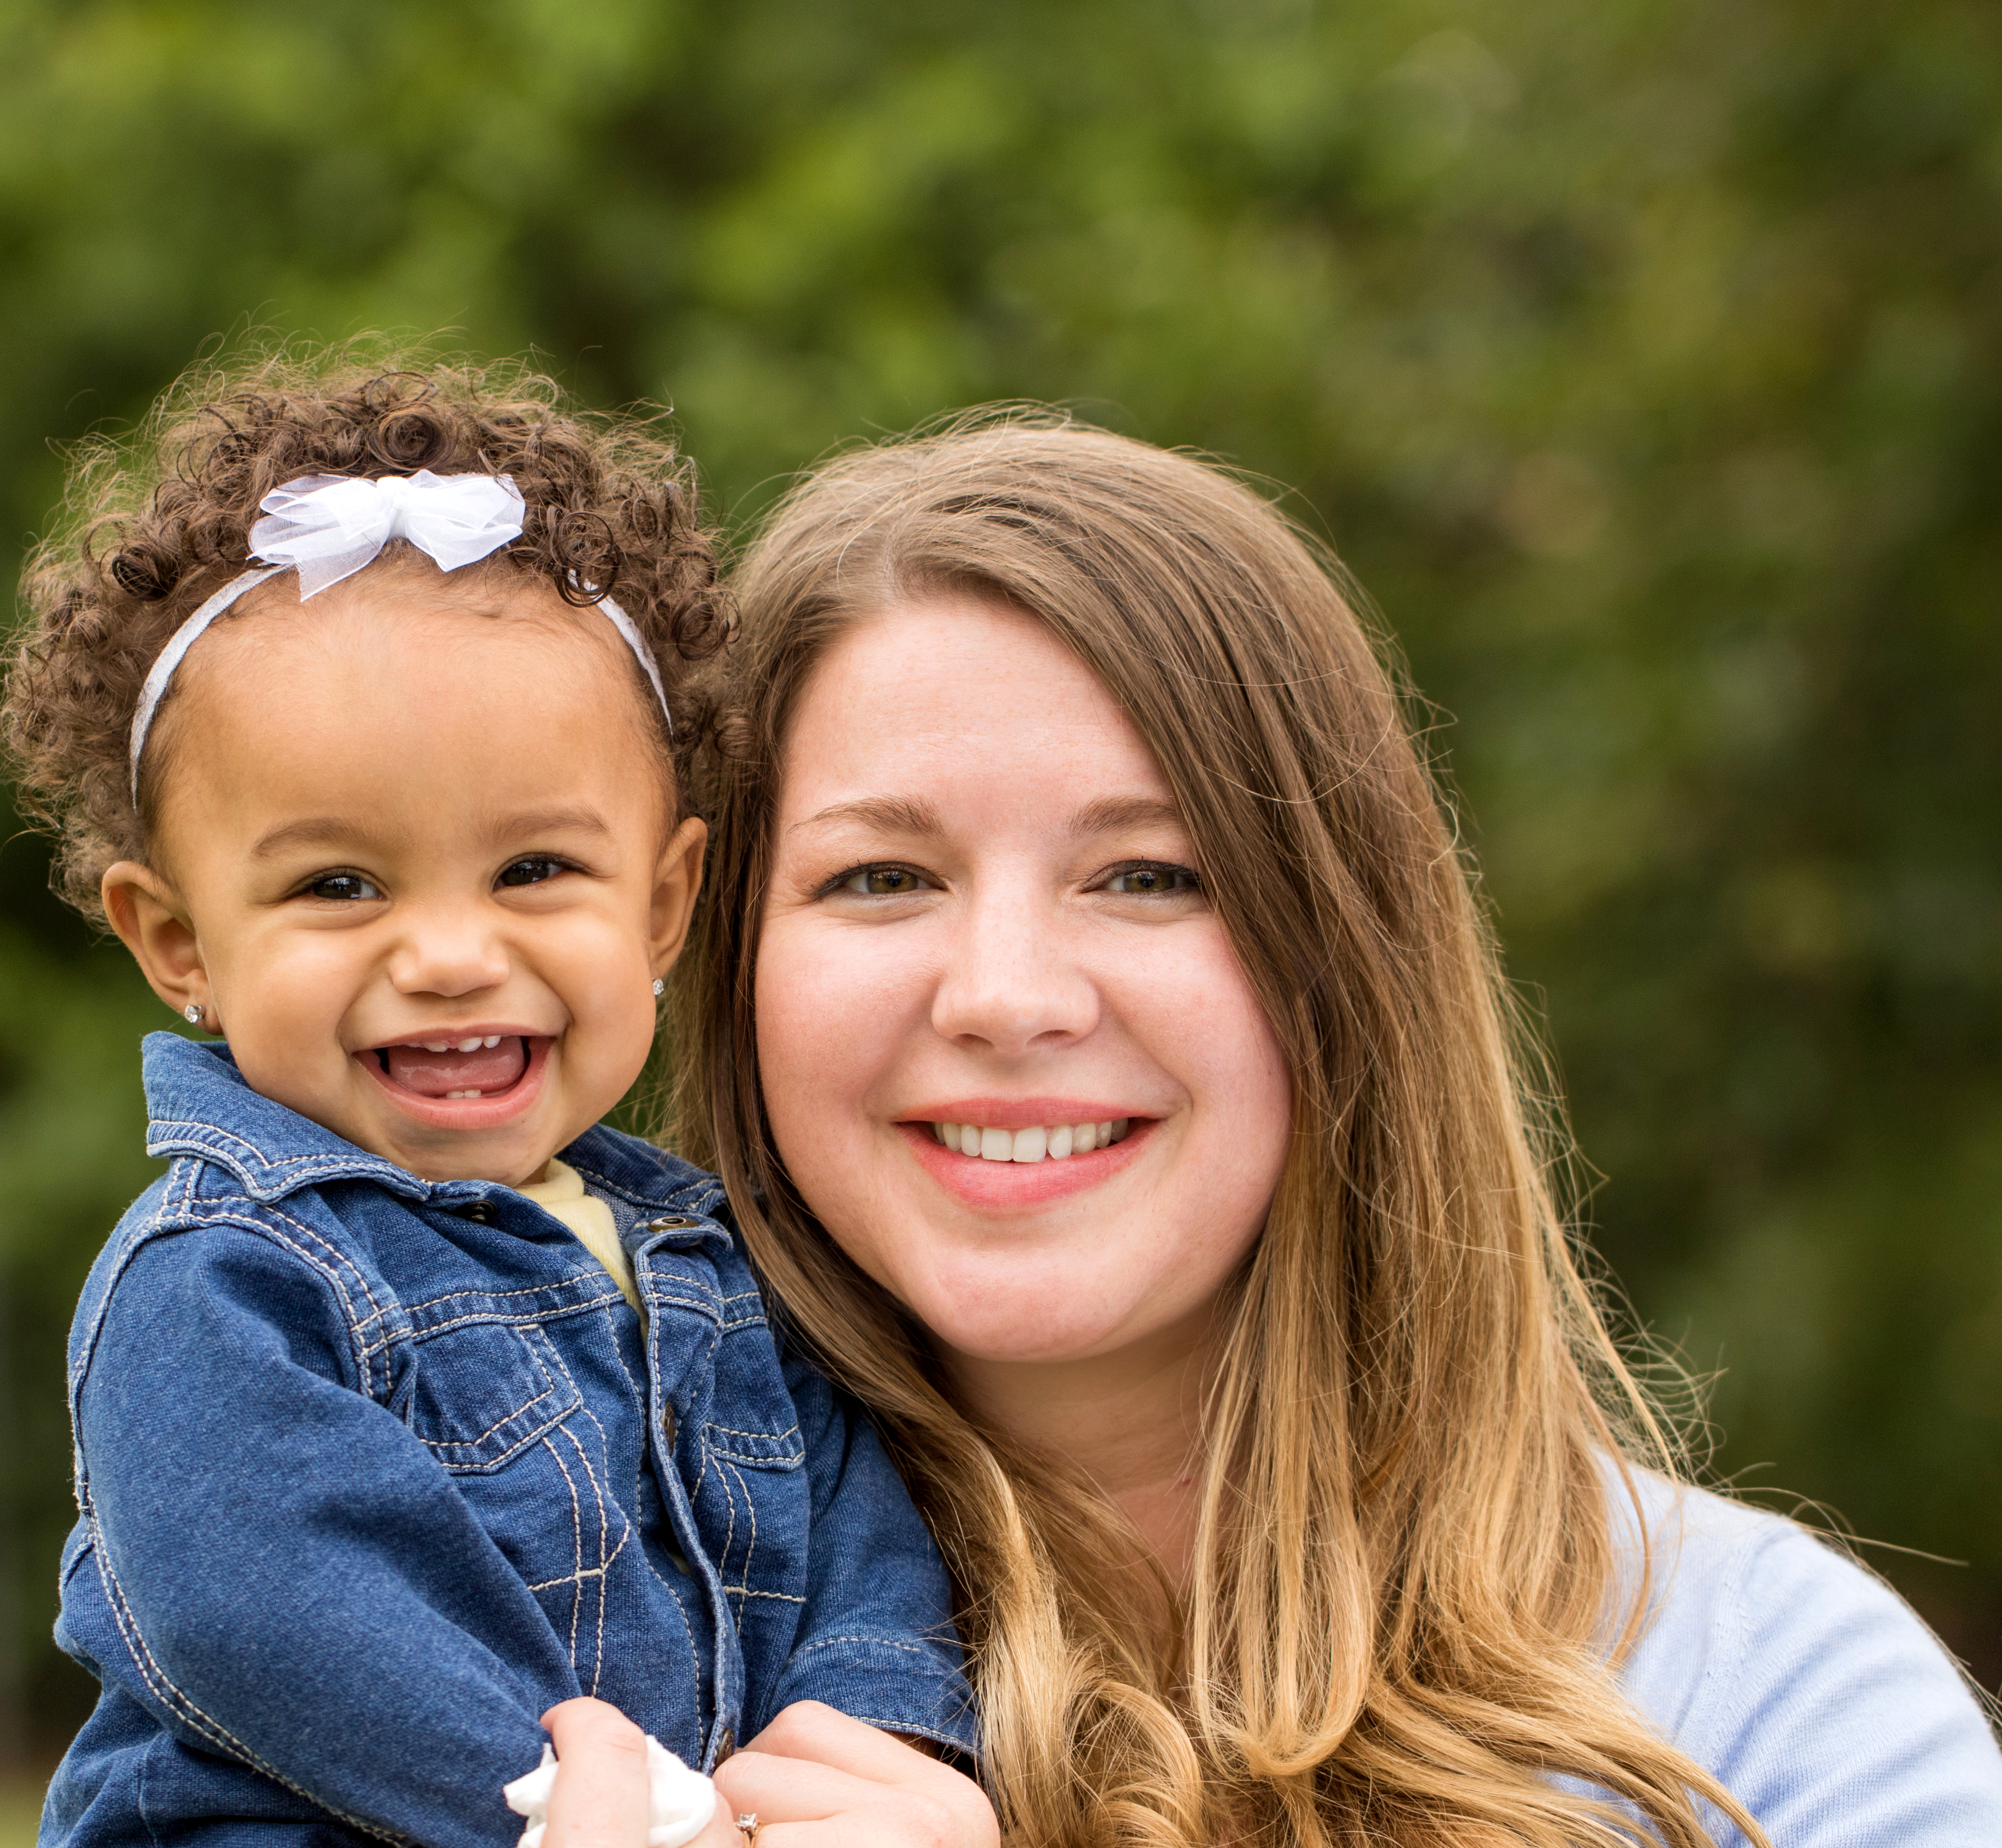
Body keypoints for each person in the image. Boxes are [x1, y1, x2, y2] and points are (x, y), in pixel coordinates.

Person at [539, 415, 2002, 1848]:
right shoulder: (519, 1620)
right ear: (719, 954)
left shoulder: (1760, 1703)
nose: (1005, 996)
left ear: (1346, 963)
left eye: (1149, 874)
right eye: (879, 876)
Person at [0, 357, 972, 1848]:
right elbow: (271, 1604)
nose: (450, 954)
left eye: (532, 870)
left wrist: (872, 1751)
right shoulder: (223, 1278)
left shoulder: (717, 1256)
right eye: (338, 884)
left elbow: (858, 1536)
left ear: (664, 905)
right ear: (178, 940)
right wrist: (640, 1813)